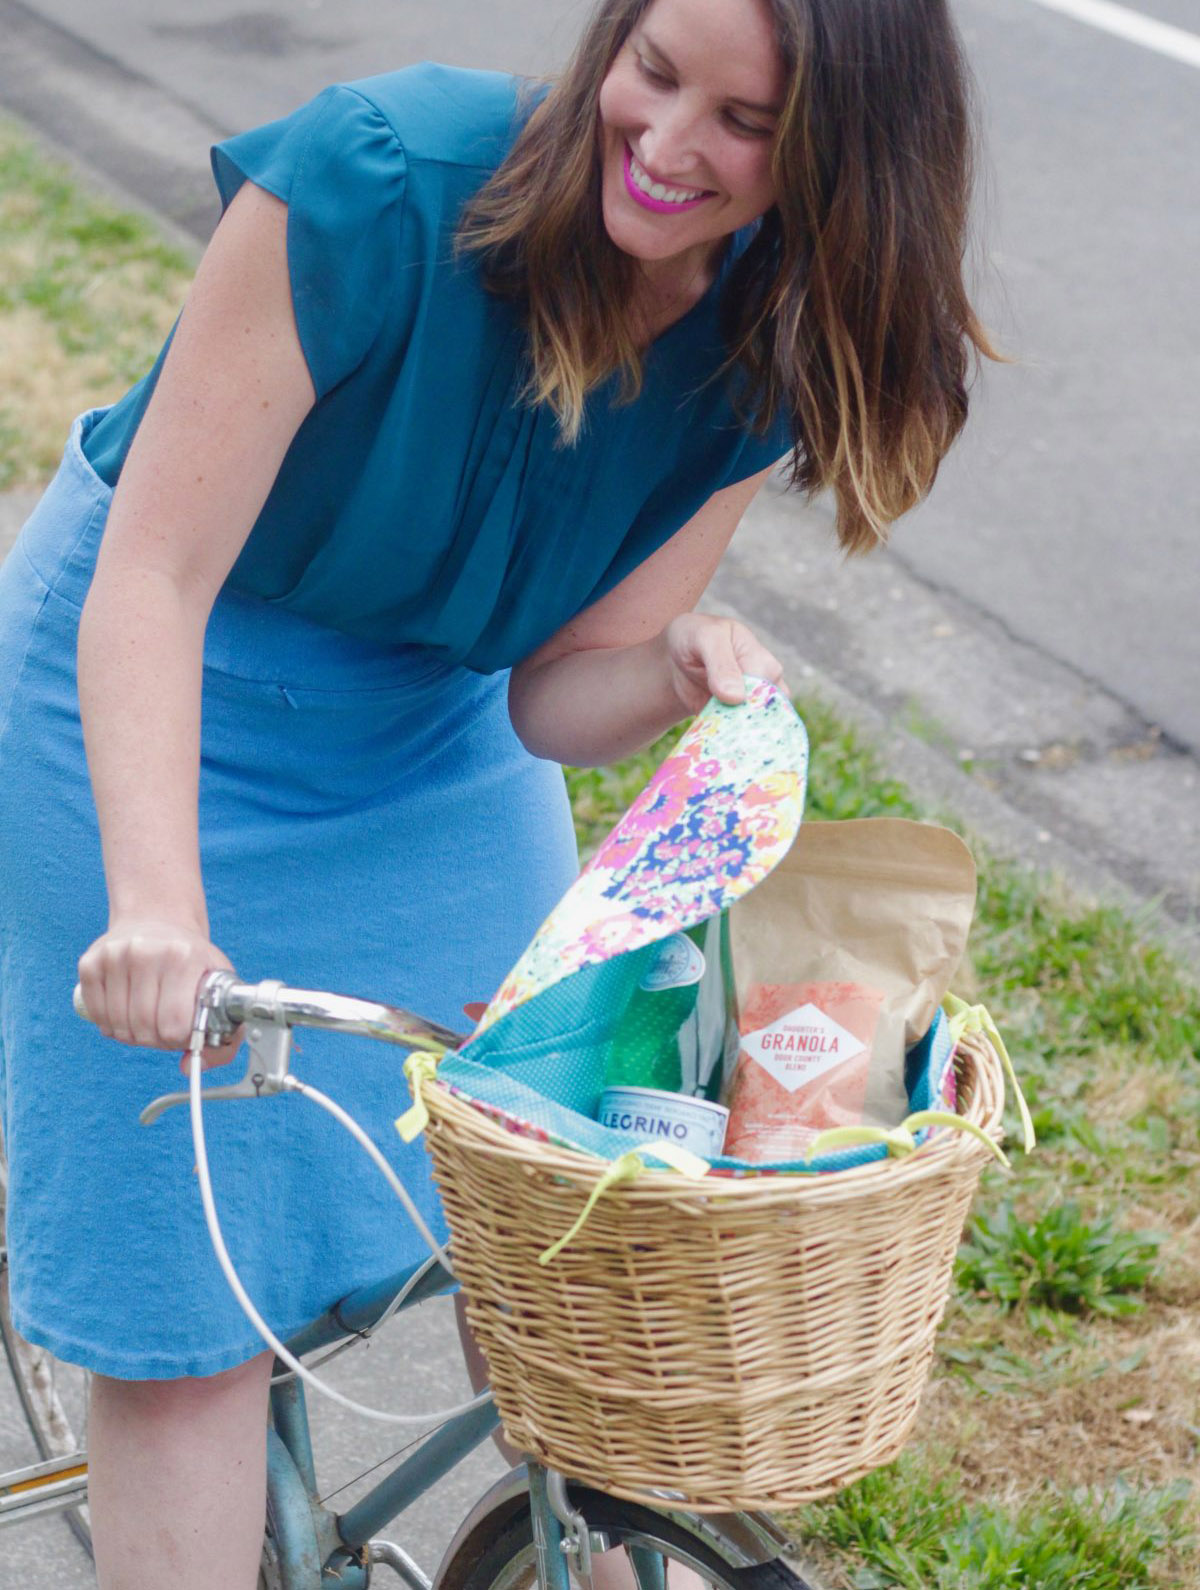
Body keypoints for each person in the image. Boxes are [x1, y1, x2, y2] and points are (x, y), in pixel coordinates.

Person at [0, 0, 994, 1582]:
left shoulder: (768, 342)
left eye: (743, 124)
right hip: (150, 682)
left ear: (831, 162)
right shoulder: (373, 182)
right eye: (653, 72)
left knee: (551, 1191)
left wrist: (669, 665)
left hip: (427, 719)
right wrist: (155, 903)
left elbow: (550, 694)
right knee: (189, 1311)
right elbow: (154, 579)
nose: (667, 146)